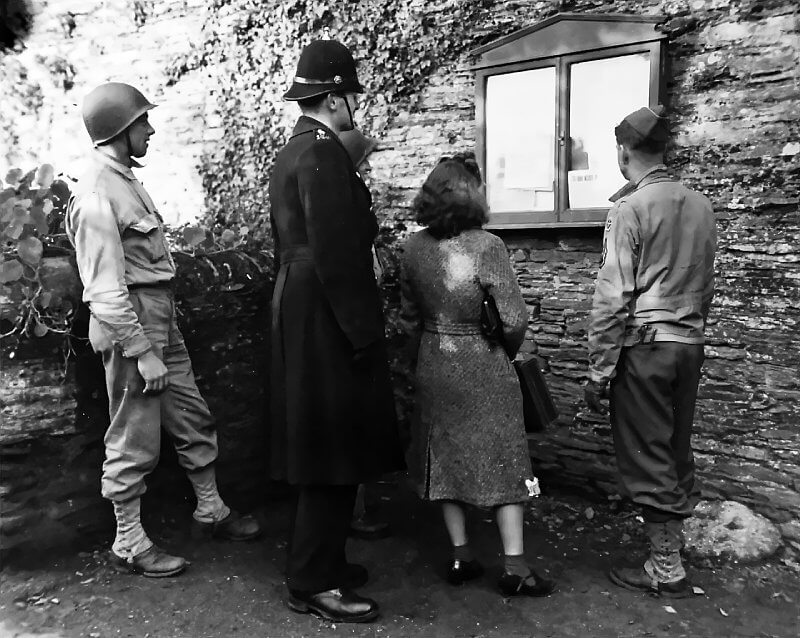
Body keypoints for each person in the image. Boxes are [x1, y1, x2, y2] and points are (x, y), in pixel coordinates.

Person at [66, 82, 260, 578]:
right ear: (119, 130)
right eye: (141, 123)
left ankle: (210, 508)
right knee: (133, 434)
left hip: (158, 318)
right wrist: (142, 350)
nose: (149, 130)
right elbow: (105, 291)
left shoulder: (126, 180)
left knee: (192, 415)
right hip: (129, 323)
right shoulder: (95, 195)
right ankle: (128, 540)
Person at [269, 40, 404, 623]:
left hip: (303, 303)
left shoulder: (297, 149)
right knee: (330, 444)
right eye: (351, 94)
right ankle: (311, 581)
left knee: (328, 441)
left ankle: (326, 561)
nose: (356, 105)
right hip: (325, 309)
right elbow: (336, 255)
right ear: (333, 96)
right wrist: (363, 333)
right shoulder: (322, 154)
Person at [399, 153, 556, 598]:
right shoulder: (487, 247)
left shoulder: (414, 248)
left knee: (444, 457)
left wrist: (421, 359)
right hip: (482, 359)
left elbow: (409, 317)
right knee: (506, 456)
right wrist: (501, 353)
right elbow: (513, 318)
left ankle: (460, 555)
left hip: (435, 358)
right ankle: (515, 568)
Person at [584, 105, 716, 597]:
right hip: (689, 346)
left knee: (648, 456)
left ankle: (666, 568)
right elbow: (705, 285)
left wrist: (599, 371)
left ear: (623, 152)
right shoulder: (700, 205)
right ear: (664, 150)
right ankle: (668, 555)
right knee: (675, 450)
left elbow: (613, 296)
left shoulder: (629, 209)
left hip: (646, 349)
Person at [339, 127, 392, 542]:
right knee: (351, 425)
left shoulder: (353, 201)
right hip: (351, 333)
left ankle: (358, 506)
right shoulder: (346, 204)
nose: (369, 168)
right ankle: (353, 513)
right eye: (364, 161)